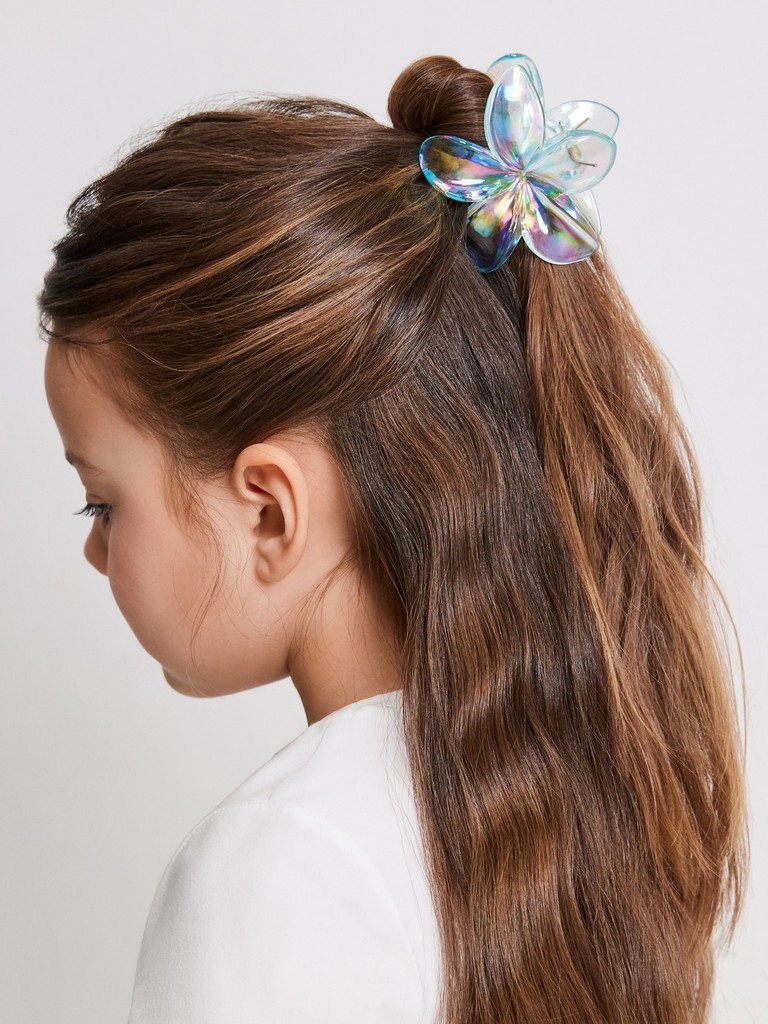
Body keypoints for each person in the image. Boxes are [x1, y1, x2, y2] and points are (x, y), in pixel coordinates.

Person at [38, 51, 748, 1024]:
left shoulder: (278, 867)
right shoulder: (576, 823)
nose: (95, 552)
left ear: (270, 512)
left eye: (102, 504)